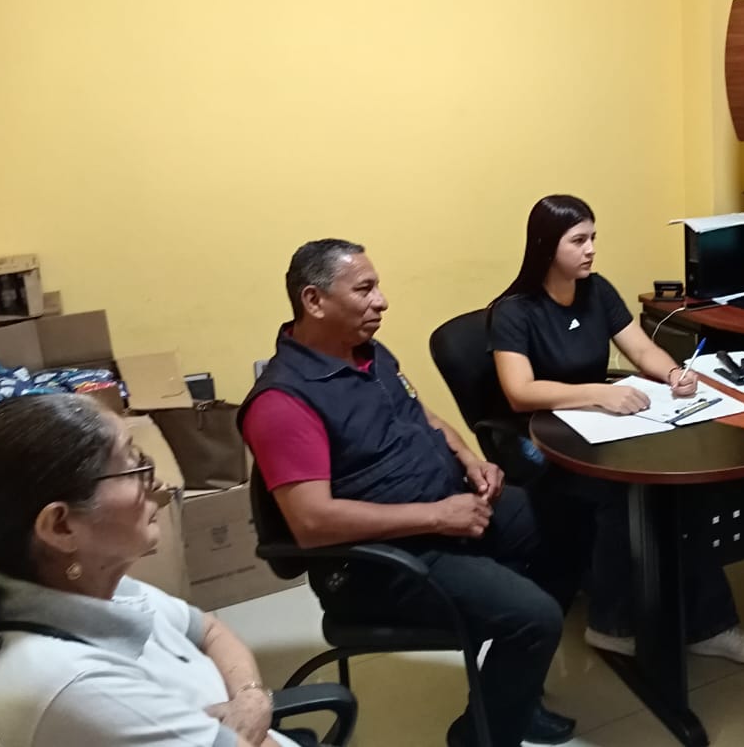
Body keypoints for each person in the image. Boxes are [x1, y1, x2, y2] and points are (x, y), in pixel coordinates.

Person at [238, 240, 571, 747]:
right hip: (381, 562)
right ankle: (480, 736)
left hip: (442, 513)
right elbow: (311, 522)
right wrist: (438, 516)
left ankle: (511, 691)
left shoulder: (368, 354)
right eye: (364, 289)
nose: (382, 301)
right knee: (534, 617)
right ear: (314, 300)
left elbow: (422, 416)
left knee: (566, 524)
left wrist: (471, 460)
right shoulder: (282, 402)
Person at [489, 194, 744, 664]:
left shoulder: (596, 290)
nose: (590, 249)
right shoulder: (514, 311)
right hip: (544, 437)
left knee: (679, 489)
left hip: (601, 426)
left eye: (593, 238)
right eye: (578, 240)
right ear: (545, 246)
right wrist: (597, 393)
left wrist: (673, 373)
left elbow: (640, 350)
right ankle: (611, 623)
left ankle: (709, 626)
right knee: (622, 497)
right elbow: (520, 392)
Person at [0, 395, 299, 747]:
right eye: (132, 466)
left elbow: (209, 629)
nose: (157, 484)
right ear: (61, 526)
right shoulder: (78, 688)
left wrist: (249, 697)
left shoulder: (80, 583)